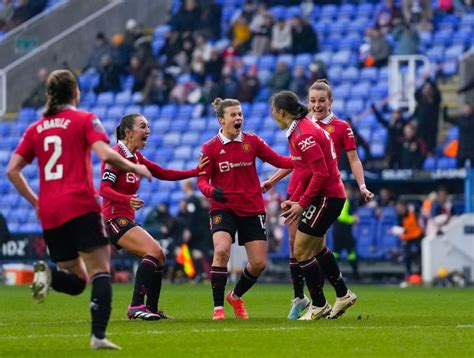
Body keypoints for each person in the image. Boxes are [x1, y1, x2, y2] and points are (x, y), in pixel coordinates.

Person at [6, 69, 153, 350]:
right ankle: (98, 336)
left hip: (49, 211)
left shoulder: (35, 128)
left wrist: (36, 202)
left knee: (76, 281)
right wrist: (135, 166)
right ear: (76, 92)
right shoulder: (85, 119)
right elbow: (106, 154)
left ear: (50, 94)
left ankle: (48, 275)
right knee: (100, 271)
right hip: (80, 204)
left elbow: (12, 170)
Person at [262, 79, 373, 319]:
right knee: (317, 247)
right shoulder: (300, 130)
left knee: (301, 250)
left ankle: (319, 304)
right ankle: (343, 295)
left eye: (273, 113)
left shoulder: (304, 134)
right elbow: (301, 168)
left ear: (281, 112)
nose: (316, 104)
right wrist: (295, 198)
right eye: (312, 100)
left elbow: (321, 173)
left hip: (326, 196)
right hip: (321, 195)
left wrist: (302, 203)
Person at [100, 113, 208, 320]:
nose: (148, 131)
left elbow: (163, 173)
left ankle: (150, 308)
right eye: (143, 127)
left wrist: (196, 171)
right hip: (114, 218)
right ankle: (135, 307)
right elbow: (103, 189)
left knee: (159, 256)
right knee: (154, 251)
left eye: (148, 126)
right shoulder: (116, 156)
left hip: (126, 218)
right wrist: (126, 199)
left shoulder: (136, 158)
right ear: (129, 132)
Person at [197, 97, 293, 320]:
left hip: (251, 207)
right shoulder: (209, 148)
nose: (238, 118)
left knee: (259, 263)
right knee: (221, 251)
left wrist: (303, 157)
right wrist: (212, 192)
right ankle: (218, 309)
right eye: (233, 115)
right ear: (222, 120)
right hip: (223, 207)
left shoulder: (253, 141)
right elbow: (201, 181)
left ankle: (236, 295)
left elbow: (279, 160)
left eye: (240, 114)